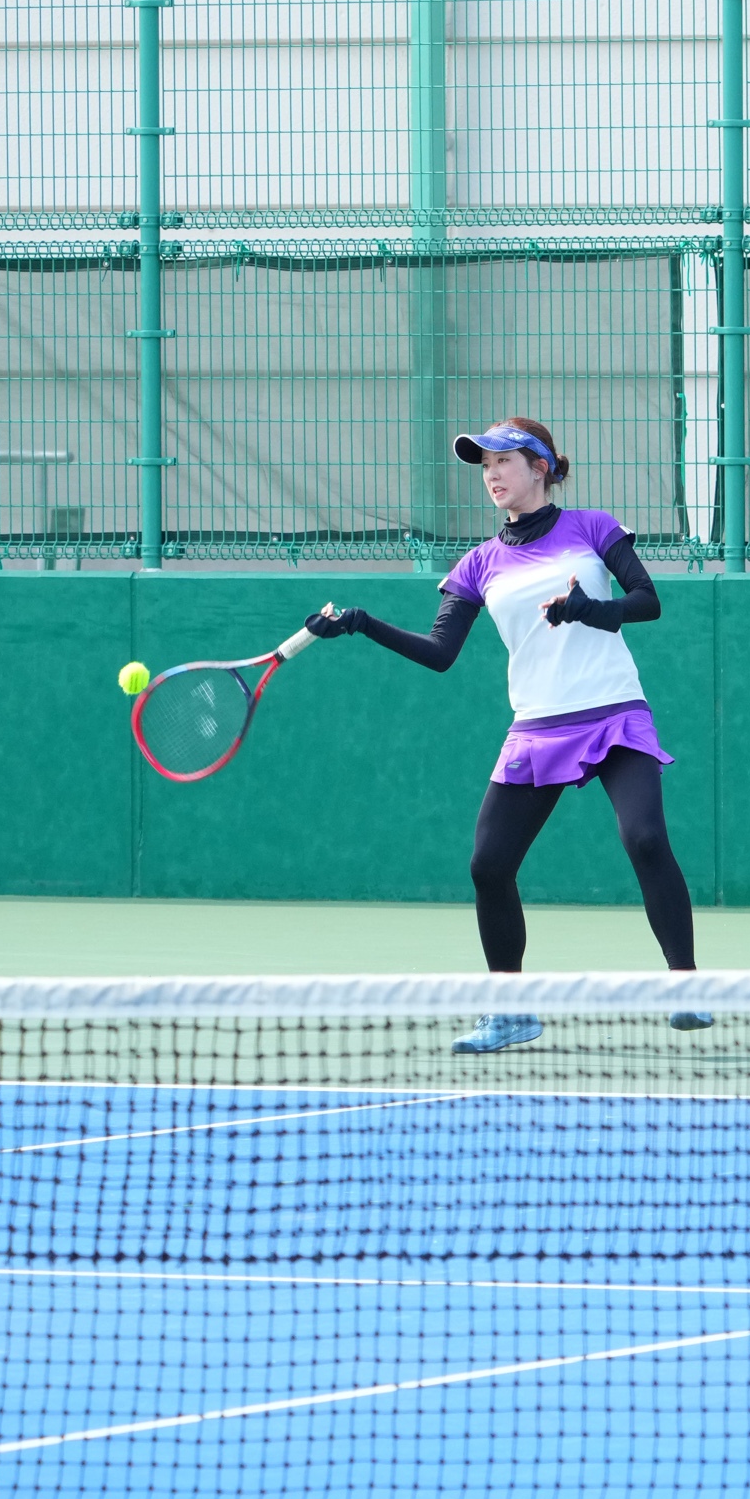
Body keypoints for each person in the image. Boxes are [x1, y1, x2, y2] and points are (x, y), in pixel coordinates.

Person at [304, 417, 711, 1054]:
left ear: (539, 467)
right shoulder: (477, 564)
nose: (491, 475)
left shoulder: (593, 527)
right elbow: (440, 652)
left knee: (645, 838)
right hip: (537, 725)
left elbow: (646, 599)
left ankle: (685, 985)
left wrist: (590, 610)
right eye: (484, 465)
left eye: (503, 461)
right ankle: (511, 1010)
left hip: (612, 710)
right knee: (488, 866)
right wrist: (361, 623)